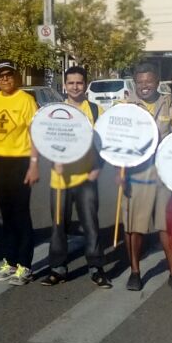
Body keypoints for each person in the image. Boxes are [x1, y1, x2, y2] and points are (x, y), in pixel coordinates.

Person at [40, 65, 112, 289]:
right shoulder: (55, 111)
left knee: (90, 224)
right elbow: (45, 140)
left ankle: (96, 268)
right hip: (60, 178)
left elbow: (104, 143)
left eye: (79, 83)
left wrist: (98, 167)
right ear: (65, 85)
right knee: (59, 225)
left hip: (86, 177)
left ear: (85, 84)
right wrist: (53, 159)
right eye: (70, 83)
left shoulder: (97, 110)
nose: (75, 87)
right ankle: (57, 269)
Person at [0, 60, 40, 286]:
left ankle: (25, 265)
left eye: (9, 75)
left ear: (16, 77)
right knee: (6, 214)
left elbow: (35, 134)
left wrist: (34, 163)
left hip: (20, 160)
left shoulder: (26, 100)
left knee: (21, 212)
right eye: (0, 76)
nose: (5, 79)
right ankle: (10, 261)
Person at [121, 62, 172, 292]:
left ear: (157, 82)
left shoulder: (169, 103)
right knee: (134, 227)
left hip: (164, 172)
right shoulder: (125, 106)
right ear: (135, 82)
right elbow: (114, 141)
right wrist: (120, 171)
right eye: (140, 81)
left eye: (149, 81)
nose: (145, 86)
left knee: (167, 226)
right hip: (136, 174)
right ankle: (135, 272)